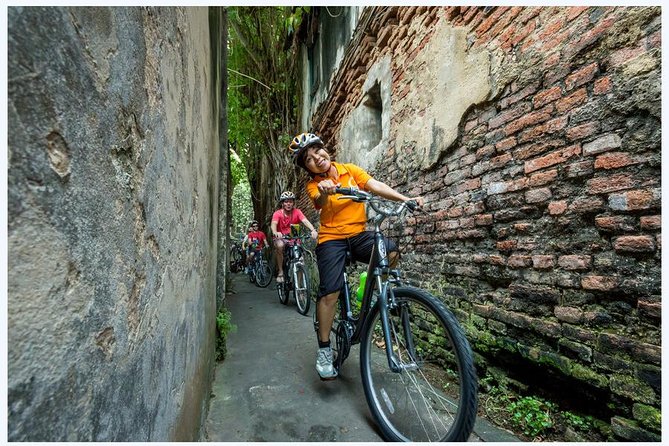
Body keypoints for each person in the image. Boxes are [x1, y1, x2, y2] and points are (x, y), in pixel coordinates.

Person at [289, 132, 424, 380]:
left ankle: (368, 286)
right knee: (331, 290)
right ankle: (325, 348)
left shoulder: (349, 170)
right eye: (308, 159)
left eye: (317, 151)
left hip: (359, 234)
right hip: (332, 240)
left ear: (324, 149)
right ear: (307, 167)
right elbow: (319, 201)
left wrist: (406, 199)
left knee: (391, 250)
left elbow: (375, 186)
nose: (316, 159)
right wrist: (327, 190)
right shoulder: (314, 185)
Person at [270, 191, 319, 283]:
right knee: (279, 246)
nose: (288, 204)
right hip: (282, 237)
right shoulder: (277, 213)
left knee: (300, 261)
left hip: (294, 238)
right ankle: (280, 272)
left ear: (293, 203)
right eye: (286, 201)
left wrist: (313, 230)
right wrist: (275, 232)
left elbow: (305, 221)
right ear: (282, 203)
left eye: (291, 201)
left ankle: (300, 287)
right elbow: (274, 224)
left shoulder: (297, 212)